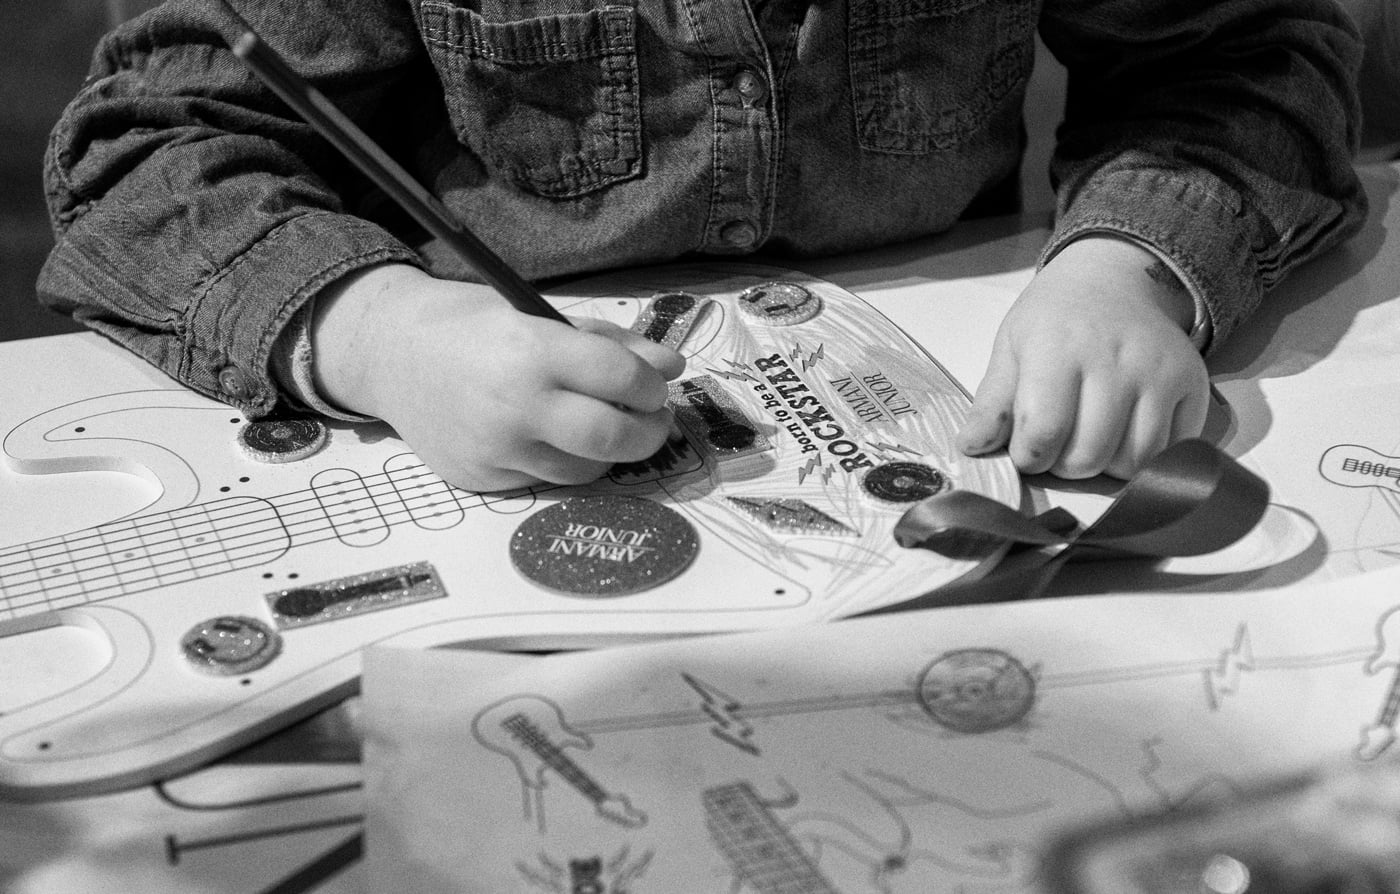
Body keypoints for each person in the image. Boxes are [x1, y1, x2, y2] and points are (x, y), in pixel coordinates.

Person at [39, 0, 1366, 492]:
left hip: (946, 422)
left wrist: (1125, 267)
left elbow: (1249, 53)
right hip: (492, 447)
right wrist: (385, 336)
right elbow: (148, 152)